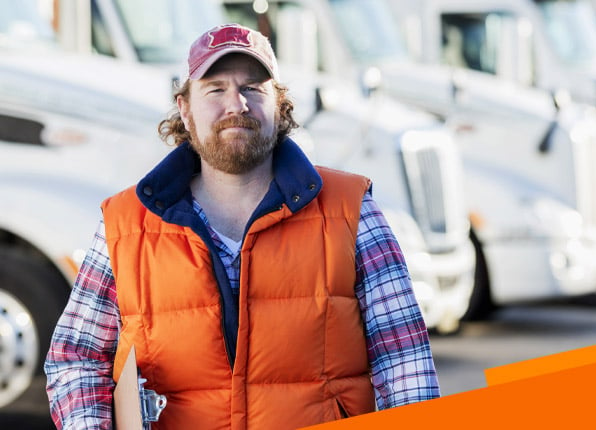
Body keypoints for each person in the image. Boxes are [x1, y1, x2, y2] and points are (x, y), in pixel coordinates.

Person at [44, 23, 440, 429]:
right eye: (215, 89)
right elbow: (77, 357)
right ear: (185, 108)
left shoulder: (351, 210)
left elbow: (404, 362)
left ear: (279, 105)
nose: (237, 104)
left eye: (254, 88)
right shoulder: (125, 225)